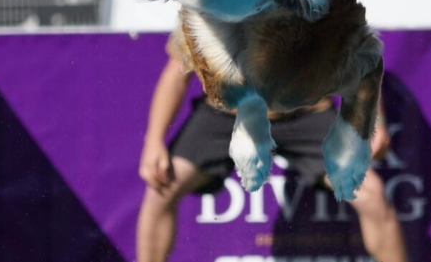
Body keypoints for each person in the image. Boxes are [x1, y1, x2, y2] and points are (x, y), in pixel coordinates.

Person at [136, 52, 408, 262]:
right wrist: (153, 142)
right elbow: (177, 69)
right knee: (161, 188)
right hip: (227, 114)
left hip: (304, 114)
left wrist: (376, 122)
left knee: (371, 192)